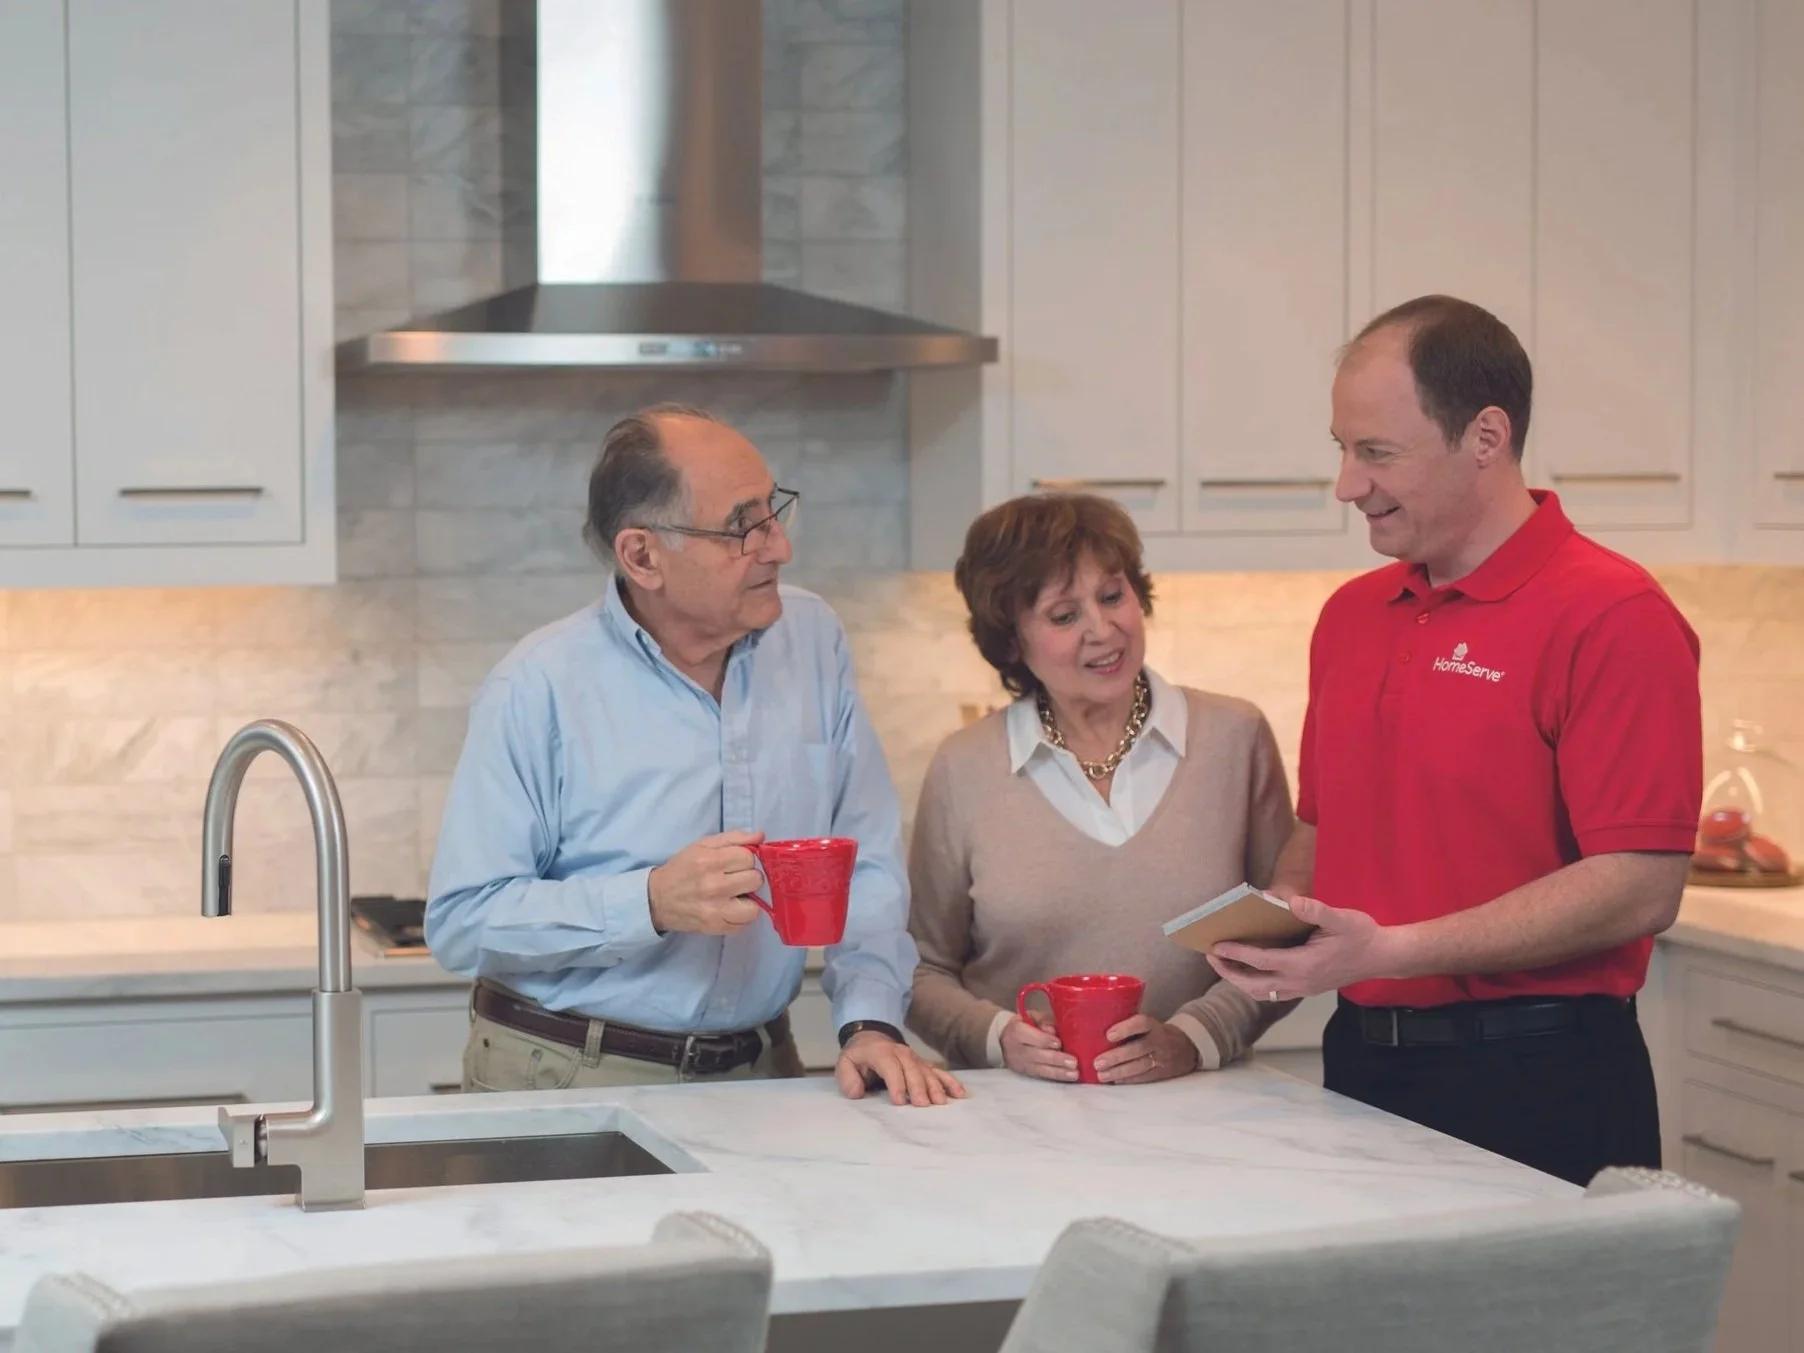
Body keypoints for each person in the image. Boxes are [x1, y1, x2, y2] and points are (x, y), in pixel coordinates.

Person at [1207, 295, 1701, 1185]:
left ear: (1486, 436)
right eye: (1342, 448)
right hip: (1361, 1067)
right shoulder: (1351, 616)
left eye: (1377, 452)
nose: (1348, 485)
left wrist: (1389, 949)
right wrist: (1279, 923)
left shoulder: (1614, 615)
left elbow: (1640, 885)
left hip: (1543, 1078)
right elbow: (1321, 829)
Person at [426, 402, 964, 1108]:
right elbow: (462, 920)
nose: (778, 546)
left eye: (774, 511)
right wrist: (649, 901)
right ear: (642, 556)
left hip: (762, 1070)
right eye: (743, 526)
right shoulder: (538, 686)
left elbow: (862, 864)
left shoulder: (813, 639)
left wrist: (869, 1021)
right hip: (567, 1072)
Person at [906, 493, 1297, 1082]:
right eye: (1064, 616)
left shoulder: (1234, 737)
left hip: (1202, 1106)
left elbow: (1283, 938)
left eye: (1113, 596)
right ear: (1011, 640)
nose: (1103, 629)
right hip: (1013, 1111)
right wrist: (999, 1038)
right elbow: (920, 970)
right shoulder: (964, 766)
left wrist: (1193, 1039)